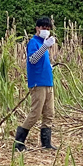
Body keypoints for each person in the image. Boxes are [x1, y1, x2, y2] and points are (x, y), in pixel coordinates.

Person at [14, 17, 58, 152]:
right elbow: (32, 60)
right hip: (38, 83)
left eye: (48, 28)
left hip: (47, 82)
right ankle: (18, 142)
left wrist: (50, 66)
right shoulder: (34, 43)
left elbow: (40, 62)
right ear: (37, 28)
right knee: (35, 113)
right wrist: (45, 46)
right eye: (43, 28)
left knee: (49, 113)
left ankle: (46, 143)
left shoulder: (43, 43)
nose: (46, 31)